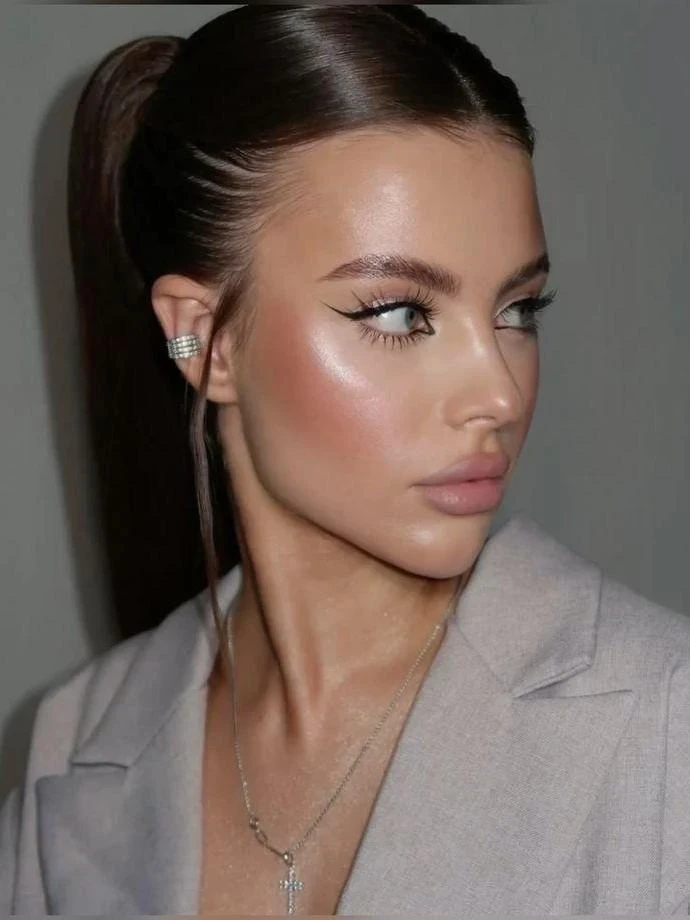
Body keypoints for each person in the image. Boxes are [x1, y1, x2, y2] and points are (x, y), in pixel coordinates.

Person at [1, 4, 689, 915]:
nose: (499, 393)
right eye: (400, 313)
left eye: (517, 310)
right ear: (206, 340)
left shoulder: (665, 721)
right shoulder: (71, 748)